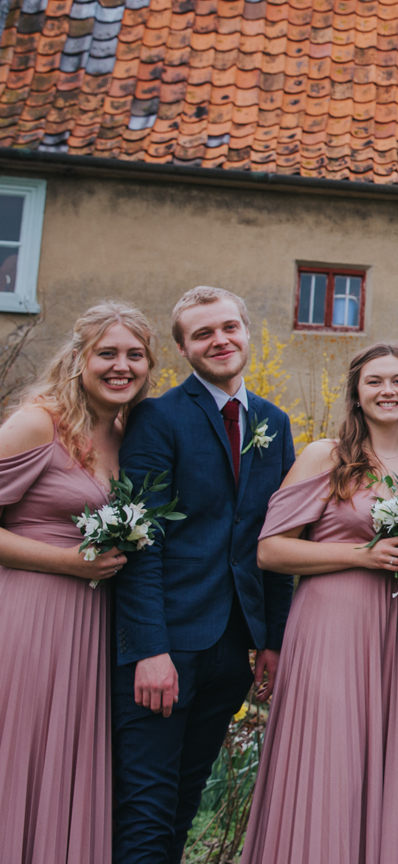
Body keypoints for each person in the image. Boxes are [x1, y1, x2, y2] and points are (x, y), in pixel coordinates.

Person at [114, 287, 296, 864]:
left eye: (228, 327)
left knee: (183, 802)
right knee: (145, 808)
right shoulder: (157, 417)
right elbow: (142, 539)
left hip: (233, 647)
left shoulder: (274, 421)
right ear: (182, 349)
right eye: (202, 334)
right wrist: (149, 648)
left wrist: (272, 638)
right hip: (164, 646)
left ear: (245, 330)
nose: (219, 340)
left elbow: (275, 538)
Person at [239, 343, 398, 863]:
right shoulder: (327, 456)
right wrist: (362, 555)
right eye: (374, 381)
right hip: (331, 625)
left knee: (387, 757)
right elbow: (270, 550)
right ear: (355, 393)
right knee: (330, 755)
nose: (387, 391)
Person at [0, 302, 154, 864]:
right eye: (107, 353)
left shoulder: (124, 430)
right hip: (29, 614)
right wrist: (67, 563)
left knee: (65, 756)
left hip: (92, 626)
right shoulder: (40, 420)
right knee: (19, 751)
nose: (122, 366)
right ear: (78, 358)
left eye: (134, 355)